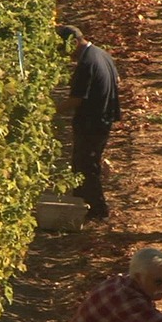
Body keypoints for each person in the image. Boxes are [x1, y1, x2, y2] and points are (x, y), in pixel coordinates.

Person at [55, 24, 121, 220]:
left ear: (74, 43)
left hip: (92, 122)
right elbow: (117, 79)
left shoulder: (87, 64)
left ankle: (97, 211)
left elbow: (76, 99)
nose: (64, 54)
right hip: (104, 117)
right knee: (85, 164)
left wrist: (49, 112)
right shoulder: (101, 54)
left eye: (63, 48)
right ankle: (82, 207)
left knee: (86, 166)